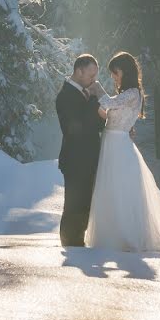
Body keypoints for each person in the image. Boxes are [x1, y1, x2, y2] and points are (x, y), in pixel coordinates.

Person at [85, 51, 160, 252]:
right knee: (110, 188)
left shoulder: (132, 93)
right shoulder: (127, 94)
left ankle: (127, 236)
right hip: (112, 142)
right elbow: (108, 112)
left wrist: (97, 89)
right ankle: (112, 234)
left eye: (116, 72)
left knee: (121, 189)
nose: (114, 76)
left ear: (126, 71)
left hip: (119, 145)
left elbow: (108, 104)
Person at [55, 54, 104, 247]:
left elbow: (96, 125)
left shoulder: (84, 93)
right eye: (91, 75)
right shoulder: (65, 96)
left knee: (85, 205)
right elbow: (77, 127)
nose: (94, 80)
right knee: (74, 205)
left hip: (89, 159)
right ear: (79, 71)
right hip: (75, 160)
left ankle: (77, 243)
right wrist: (94, 100)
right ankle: (70, 245)